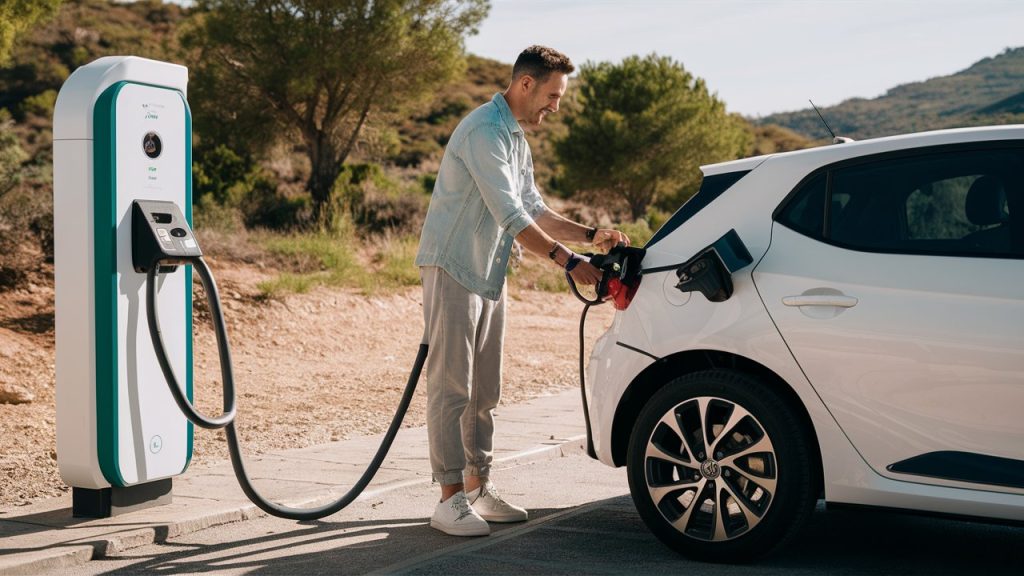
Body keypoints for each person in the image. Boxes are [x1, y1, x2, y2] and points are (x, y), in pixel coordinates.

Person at [415, 45, 630, 537]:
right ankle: (448, 499)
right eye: (553, 95)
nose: (556, 106)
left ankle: (475, 488)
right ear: (526, 84)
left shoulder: (515, 138)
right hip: (453, 266)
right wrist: (566, 261)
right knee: (451, 388)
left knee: (483, 390)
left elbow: (535, 207)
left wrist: (590, 235)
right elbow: (511, 217)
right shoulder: (485, 131)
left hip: (488, 272)